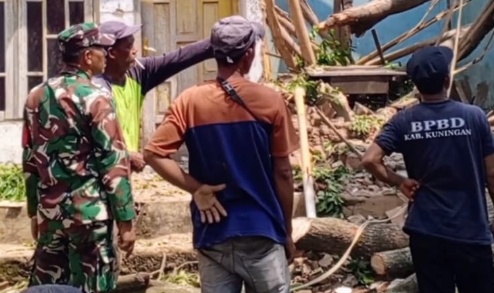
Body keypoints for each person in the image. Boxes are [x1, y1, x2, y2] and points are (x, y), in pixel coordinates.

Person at [144, 16, 295, 293]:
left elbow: (154, 154)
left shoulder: (189, 101)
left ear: (215, 55)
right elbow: (283, 172)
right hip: (261, 231)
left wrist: (197, 188)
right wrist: (286, 231)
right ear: (249, 54)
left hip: (213, 233)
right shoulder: (270, 100)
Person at [361, 46, 494, 293]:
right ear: (446, 80)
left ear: (416, 85)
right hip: (470, 230)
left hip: (426, 230)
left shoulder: (404, 120)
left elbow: (369, 159)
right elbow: (493, 174)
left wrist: (398, 181)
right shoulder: (474, 117)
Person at [22, 23, 137, 292]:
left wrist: (34, 213)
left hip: (51, 213)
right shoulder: (96, 97)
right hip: (89, 216)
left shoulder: (36, 96)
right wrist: (126, 221)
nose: (106, 56)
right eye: (101, 51)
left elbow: (29, 160)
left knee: (50, 290)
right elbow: (112, 161)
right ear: (87, 57)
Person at [95, 20, 214, 170]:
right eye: (129, 46)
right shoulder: (95, 89)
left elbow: (178, 58)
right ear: (112, 53)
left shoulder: (137, 73)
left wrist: (215, 43)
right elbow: (90, 140)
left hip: (121, 172)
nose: (135, 50)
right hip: (99, 175)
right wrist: (126, 155)